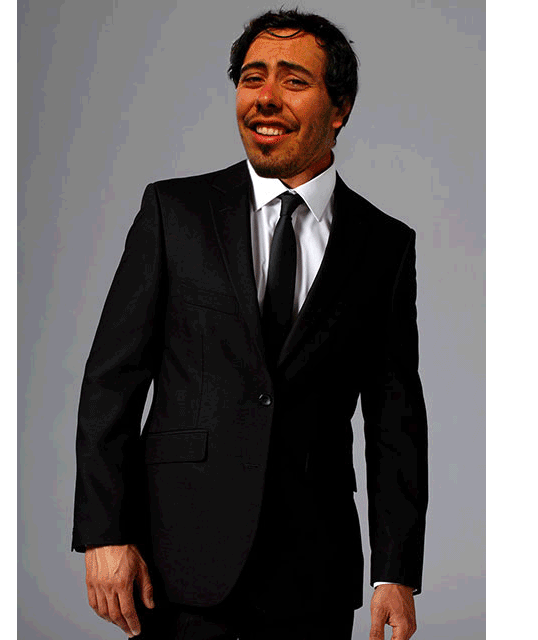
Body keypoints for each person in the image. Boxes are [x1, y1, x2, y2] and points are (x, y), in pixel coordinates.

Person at [72, 9, 428, 640]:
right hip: (175, 564)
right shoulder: (174, 213)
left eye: (293, 80)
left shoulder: (384, 246)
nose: (264, 97)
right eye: (252, 77)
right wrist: (105, 533)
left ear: (340, 108)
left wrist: (394, 573)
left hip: (312, 573)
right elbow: (111, 383)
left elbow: (394, 420)